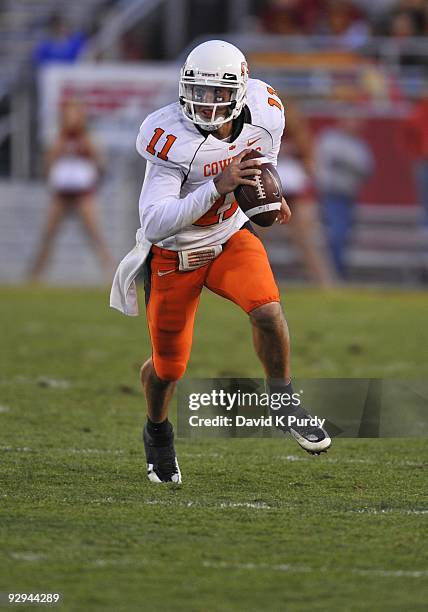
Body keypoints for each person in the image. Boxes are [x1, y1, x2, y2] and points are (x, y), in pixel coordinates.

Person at [110, 40, 331, 484]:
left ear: (241, 91)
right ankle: (157, 431)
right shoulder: (169, 137)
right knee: (168, 367)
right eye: (198, 90)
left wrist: (269, 197)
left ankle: (283, 398)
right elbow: (154, 223)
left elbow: (261, 161)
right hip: (176, 253)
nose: (205, 103)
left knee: (268, 311)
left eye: (217, 94)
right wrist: (216, 186)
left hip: (229, 236)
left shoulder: (266, 111)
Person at [30, 100, 113, 281]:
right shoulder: (56, 137)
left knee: (95, 235)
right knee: (48, 234)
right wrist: (58, 148)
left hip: (84, 193)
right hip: (61, 193)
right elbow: (47, 164)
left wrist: (89, 148)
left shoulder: (90, 138)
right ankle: (35, 275)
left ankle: (111, 274)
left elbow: (101, 165)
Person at [276, 100, 336, 287]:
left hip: (297, 194)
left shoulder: (300, 136)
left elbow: (310, 166)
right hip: (271, 193)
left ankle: (325, 283)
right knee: (252, 239)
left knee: (307, 242)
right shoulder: (266, 135)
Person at [315, 115, 373, 279]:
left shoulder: (359, 145)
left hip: (348, 196)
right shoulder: (330, 138)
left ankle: (337, 271)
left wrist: (346, 163)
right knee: (335, 233)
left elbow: (366, 169)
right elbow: (323, 162)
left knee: (344, 235)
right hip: (331, 194)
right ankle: (332, 273)